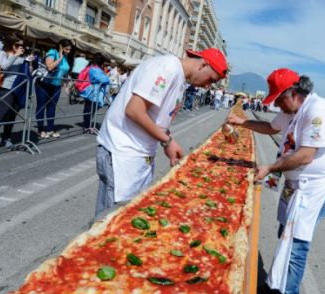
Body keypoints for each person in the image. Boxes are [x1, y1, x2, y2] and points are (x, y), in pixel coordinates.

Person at [225, 68, 325, 294]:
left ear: (294, 93)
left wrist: (271, 167)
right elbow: (270, 127)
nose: (275, 103)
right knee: (283, 237)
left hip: (312, 190)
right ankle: (274, 286)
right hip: (293, 186)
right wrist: (242, 123)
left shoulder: (319, 110)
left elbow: (305, 155)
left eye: (279, 98)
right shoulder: (290, 111)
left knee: (296, 247)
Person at [94, 47, 228, 217]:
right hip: (123, 152)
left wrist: (167, 139)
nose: (208, 85)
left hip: (139, 154)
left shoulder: (179, 76)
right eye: (211, 79)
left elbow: (158, 117)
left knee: (132, 214)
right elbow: (134, 110)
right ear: (203, 65)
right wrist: (167, 141)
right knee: (112, 219)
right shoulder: (167, 68)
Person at [35, 39, 73, 138]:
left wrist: (66, 84)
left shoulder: (66, 57)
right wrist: (60, 57)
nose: (68, 52)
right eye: (66, 49)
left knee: (52, 107)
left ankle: (50, 129)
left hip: (56, 85)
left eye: (69, 50)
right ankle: (40, 129)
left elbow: (64, 72)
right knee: (41, 106)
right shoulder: (53, 52)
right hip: (44, 83)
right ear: (60, 47)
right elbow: (50, 67)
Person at [80, 52, 110, 134]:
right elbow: (105, 80)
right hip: (92, 92)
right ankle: (87, 126)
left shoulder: (91, 67)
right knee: (90, 109)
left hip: (89, 92)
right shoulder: (95, 69)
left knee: (89, 109)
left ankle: (87, 126)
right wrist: (106, 77)